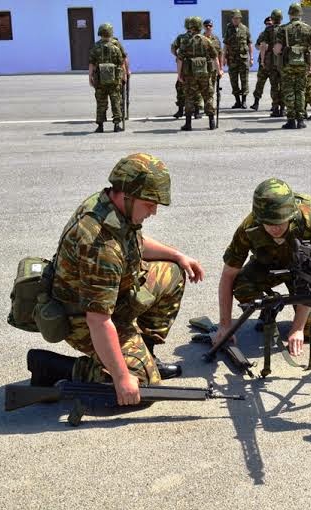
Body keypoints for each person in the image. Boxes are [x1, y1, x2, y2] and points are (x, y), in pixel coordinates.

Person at [27, 154, 205, 407]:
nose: (154, 211)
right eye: (150, 203)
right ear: (127, 195)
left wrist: (179, 256)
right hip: (82, 320)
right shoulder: (101, 246)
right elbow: (97, 320)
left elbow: (136, 243)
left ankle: (144, 355)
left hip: (114, 299)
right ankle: (56, 367)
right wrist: (122, 378)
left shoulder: (112, 206)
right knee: (143, 386)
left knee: (174, 271)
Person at [213, 178, 311, 376]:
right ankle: (269, 309)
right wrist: (224, 326)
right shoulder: (248, 227)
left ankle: (300, 320)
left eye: (280, 222)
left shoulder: (309, 222)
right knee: (242, 288)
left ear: (290, 216)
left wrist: (298, 328)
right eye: (269, 223)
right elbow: (228, 275)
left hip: (301, 272)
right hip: (267, 267)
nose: (275, 228)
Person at [273, 3, 311, 129]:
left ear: (290, 14)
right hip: (303, 64)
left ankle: (291, 120)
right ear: (300, 14)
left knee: (289, 92)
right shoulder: (307, 28)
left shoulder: (283, 29)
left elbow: (277, 49)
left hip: (288, 65)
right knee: (301, 91)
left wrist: (278, 53)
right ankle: (301, 120)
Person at [176, 16, 220, 131]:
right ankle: (211, 122)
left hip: (190, 74)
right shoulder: (206, 40)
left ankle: (188, 124)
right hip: (205, 73)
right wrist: (219, 70)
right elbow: (215, 57)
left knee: (189, 96)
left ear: (190, 26)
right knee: (208, 95)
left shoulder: (186, 41)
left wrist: (179, 74)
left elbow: (180, 59)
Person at [89, 23, 124, 132]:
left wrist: (90, 76)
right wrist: (123, 76)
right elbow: (121, 63)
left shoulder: (95, 47)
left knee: (101, 102)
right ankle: (117, 125)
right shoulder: (115, 47)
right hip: (114, 80)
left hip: (100, 80)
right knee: (116, 101)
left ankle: (100, 126)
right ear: (110, 33)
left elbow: (91, 63)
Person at [171, 19, 203, 119]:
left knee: (181, 88)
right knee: (196, 88)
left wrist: (178, 56)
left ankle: (181, 110)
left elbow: (173, 48)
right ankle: (196, 111)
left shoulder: (181, 37)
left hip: (184, 67)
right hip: (197, 67)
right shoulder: (200, 38)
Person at [222, 9, 253, 109]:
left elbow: (249, 43)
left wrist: (251, 57)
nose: (235, 20)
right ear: (232, 19)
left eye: (237, 18)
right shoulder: (228, 29)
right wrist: (223, 58)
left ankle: (244, 101)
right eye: (234, 18)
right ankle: (237, 101)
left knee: (244, 80)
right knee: (233, 81)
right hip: (232, 59)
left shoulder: (245, 28)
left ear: (240, 19)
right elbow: (226, 44)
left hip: (243, 59)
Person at [262, 9, 285, 118]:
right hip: (282, 60)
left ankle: (275, 108)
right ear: (281, 18)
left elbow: (263, 45)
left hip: (271, 61)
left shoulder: (268, 30)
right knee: (284, 85)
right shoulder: (284, 28)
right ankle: (283, 109)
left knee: (274, 85)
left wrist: (262, 59)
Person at [251, 16, 273, 112]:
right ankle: (256, 103)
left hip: (273, 63)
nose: (268, 25)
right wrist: (260, 47)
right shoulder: (262, 34)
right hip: (263, 63)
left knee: (275, 85)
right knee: (260, 83)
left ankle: (275, 105)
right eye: (267, 24)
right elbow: (256, 45)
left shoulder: (277, 34)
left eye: (270, 24)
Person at [203, 19, 224, 113]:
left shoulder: (216, 39)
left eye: (210, 26)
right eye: (206, 25)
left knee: (212, 87)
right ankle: (202, 106)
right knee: (203, 88)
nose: (208, 27)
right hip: (202, 68)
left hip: (213, 67)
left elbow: (220, 54)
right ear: (203, 27)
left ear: (212, 27)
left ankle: (209, 106)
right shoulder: (200, 38)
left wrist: (221, 69)